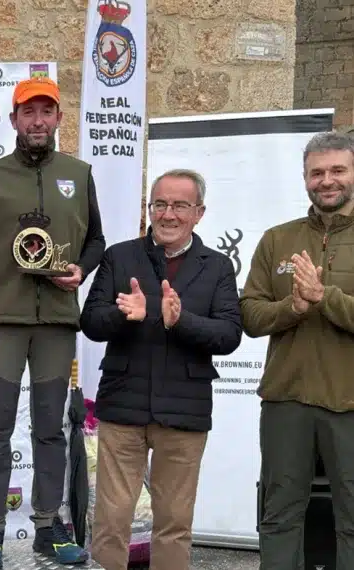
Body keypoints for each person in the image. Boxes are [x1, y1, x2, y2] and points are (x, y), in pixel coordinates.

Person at [0, 77, 105, 568]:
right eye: (28, 112)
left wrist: (83, 268)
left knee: (50, 429)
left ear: (59, 118)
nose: (38, 121)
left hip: (58, 321)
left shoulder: (78, 174)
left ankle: (47, 526)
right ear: (14, 120)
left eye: (47, 112)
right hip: (1, 319)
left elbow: (97, 240)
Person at [80, 169, 242, 570]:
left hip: (184, 411)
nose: (168, 214)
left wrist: (177, 319)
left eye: (180, 205)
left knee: (173, 523)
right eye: (160, 204)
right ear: (149, 209)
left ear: (199, 213)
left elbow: (228, 334)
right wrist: (125, 316)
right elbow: (91, 321)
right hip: (123, 405)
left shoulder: (217, 266)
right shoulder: (119, 255)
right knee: (111, 520)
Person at [240, 131, 354, 570]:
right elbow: (249, 315)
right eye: (317, 173)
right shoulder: (277, 239)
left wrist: (325, 298)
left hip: (349, 402)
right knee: (279, 518)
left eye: (337, 170)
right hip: (286, 401)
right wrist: (294, 306)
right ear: (305, 178)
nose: (327, 181)